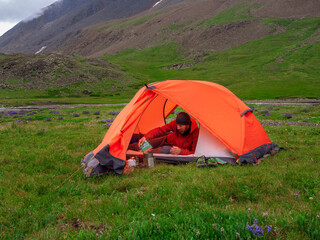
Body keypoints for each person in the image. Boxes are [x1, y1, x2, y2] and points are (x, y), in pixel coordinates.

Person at [129, 112, 199, 155]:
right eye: (177, 125)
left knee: (155, 151)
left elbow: (194, 152)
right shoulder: (175, 123)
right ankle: (125, 148)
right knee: (143, 145)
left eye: (180, 126)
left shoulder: (196, 133)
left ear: (187, 125)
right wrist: (146, 137)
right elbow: (160, 130)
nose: (178, 128)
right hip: (167, 139)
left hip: (173, 149)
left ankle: (137, 154)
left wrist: (181, 151)